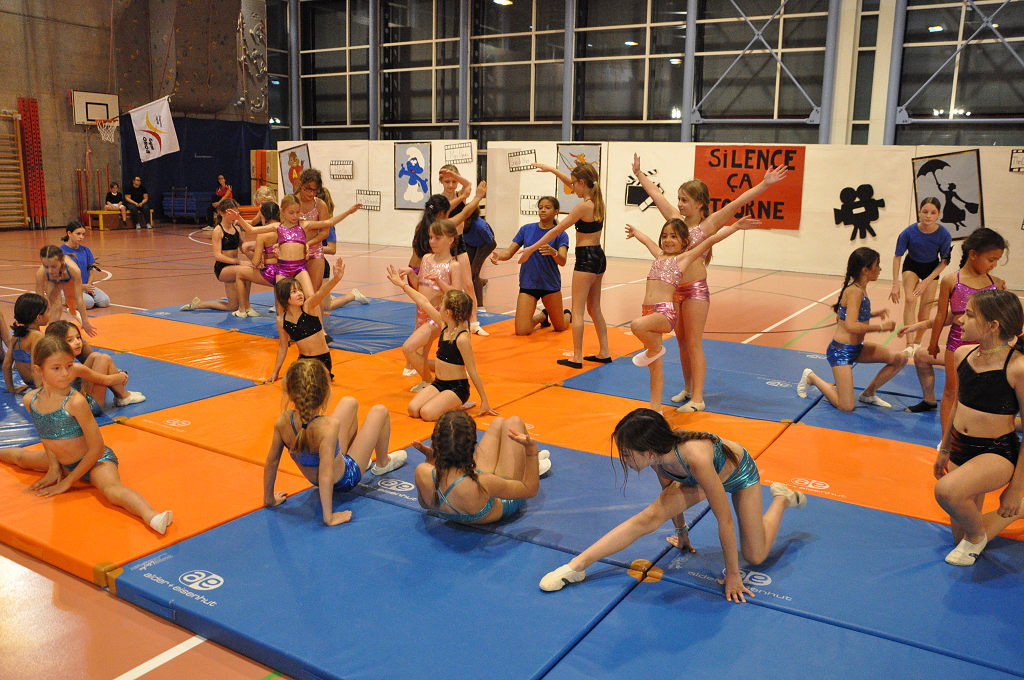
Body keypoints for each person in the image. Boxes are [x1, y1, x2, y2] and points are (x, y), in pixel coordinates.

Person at [538, 408, 805, 601]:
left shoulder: (695, 458)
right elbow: (669, 493)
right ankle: (575, 567)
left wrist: (734, 575)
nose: (624, 460)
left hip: (740, 474)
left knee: (755, 556)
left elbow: (724, 519)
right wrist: (682, 533)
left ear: (649, 452)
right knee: (649, 517)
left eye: (627, 454)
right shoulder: (658, 457)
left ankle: (781, 499)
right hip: (703, 475)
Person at [631, 155, 789, 413]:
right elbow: (656, 196)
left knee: (694, 342)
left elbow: (738, 202)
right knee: (681, 342)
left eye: (685, 200)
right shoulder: (675, 221)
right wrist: (639, 174)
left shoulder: (709, 224)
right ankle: (688, 387)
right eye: (679, 199)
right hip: (675, 292)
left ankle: (698, 398)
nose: (679, 204)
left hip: (695, 290)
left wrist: (765, 184)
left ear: (699, 203)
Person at [0, 336, 172, 533]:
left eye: (69, 366)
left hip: (95, 461)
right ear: (39, 370)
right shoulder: (31, 400)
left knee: (111, 490)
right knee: (21, 458)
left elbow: (97, 448)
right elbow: (46, 436)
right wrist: (54, 467)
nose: (65, 373)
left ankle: (152, 516)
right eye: (56, 368)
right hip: (62, 462)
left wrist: (68, 481)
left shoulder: (75, 402)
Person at [628, 217, 760, 411]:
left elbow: (710, 240)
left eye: (674, 236)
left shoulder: (683, 258)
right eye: (664, 236)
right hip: (648, 311)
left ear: (684, 241)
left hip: (664, 313)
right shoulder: (659, 255)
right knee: (654, 367)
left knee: (636, 325)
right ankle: (656, 408)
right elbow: (647, 240)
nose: (668, 240)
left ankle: (654, 350)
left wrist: (735, 227)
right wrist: (636, 232)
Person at [934, 289, 1024, 566]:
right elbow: (957, 405)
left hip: (996, 452)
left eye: (970, 315)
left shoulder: (1017, 367)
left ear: (992, 325)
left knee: (946, 492)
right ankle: (1018, 512)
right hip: (961, 446)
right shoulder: (962, 354)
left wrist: (1015, 489)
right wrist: (945, 448)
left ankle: (976, 537)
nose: (960, 319)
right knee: (958, 538)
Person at [263, 358, 407, 526]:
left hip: (322, 475)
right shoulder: (328, 427)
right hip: (345, 479)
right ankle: (383, 463)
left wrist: (269, 499)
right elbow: (325, 474)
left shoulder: (282, 421)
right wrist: (329, 517)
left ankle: (362, 459)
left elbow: (272, 462)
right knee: (380, 411)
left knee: (349, 402)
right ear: (325, 394)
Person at [901, 228, 1007, 425]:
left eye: (997, 260)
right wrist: (933, 343)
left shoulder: (997, 284)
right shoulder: (951, 281)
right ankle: (946, 438)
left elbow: (1003, 321)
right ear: (973, 254)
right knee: (952, 391)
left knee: (980, 394)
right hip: (956, 344)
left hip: (985, 347)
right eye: (991, 259)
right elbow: (941, 316)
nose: (994, 265)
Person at [518, 162, 610, 368]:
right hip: (599, 256)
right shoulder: (598, 200)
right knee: (594, 307)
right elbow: (570, 182)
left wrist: (531, 248)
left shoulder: (583, 207)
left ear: (583, 182)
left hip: (586, 258)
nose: (572, 187)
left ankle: (576, 357)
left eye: (575, 184)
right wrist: (551, 170)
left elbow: (555, 231)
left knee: (577, 311)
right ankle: (604, 352)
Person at [796, 247, 907, 412]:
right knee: (846, 406)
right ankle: (811, 377)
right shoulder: (855, 291)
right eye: (877, 265)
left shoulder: (860, 288)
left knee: (900, 358)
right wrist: (881, 327)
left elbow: (850, 314)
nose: (880, 269)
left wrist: (875, 314)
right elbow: (851, 325)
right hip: (841, 351)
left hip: (857, 349)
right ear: (865, 270)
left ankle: (869, 393)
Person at [387, 265, 495, 420]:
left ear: (448, 312)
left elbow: (472, 371)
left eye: (441, 305)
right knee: (413, 409)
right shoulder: (444, 325)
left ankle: (458, 403)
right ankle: (445, 402)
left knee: (427, 413)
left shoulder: (462, 338)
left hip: (457, 387)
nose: (438, 308)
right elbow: (423, 302)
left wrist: (484, 400)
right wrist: (402, 284)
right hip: (439, 383)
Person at [412, 410, 550, 524]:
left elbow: (425, 504)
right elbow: (530, 490)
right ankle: (531, 465)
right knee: (515, 421)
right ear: (472, 447)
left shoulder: (422, 471)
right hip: (501, 497)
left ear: (434, 443)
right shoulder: (483, 482)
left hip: (471, 487)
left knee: (498, 422)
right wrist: (531, 451)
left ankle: (525, 462)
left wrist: (431, 460)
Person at [490, 196, 571, 336]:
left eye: (547, 208)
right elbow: (509, 252)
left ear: (556, 211)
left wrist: (554, 253)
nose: (543, 210)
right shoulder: (526, 229)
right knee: (522, 330)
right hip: (528, 284)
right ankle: (542, 316)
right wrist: (499, 256)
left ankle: (568, 313)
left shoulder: (561, 234)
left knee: (560, 327)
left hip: (550, 285)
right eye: (540, 208)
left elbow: (562, 261)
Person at [401, 219, 462, 391]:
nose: (432, 242)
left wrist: (440, 281)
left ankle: (429, 381)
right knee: (421, 353)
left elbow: (457, 295)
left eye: (437, 238)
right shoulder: (426, 258)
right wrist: (411, 274)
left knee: (409, 348)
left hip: (437, 316)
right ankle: (439, 376)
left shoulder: (453, 265)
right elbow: (420, 286)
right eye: (430, 237)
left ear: (450, 240)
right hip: (421, 313)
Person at [266, 266, 347, 384]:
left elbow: (321, 293)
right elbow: (283, 347)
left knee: (309, 383)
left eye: (300, 290)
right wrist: (275, 372)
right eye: (294, 292)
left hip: (321, 360)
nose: (300, 294)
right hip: (303, 360)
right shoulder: (281, 320)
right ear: (284, 297)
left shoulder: (308, 307)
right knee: (292, 382)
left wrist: (335, 279)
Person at [889, 198, 951, 349]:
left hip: (931, 269)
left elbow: (944, 262)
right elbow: (897, 257)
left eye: (933, 213)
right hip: (912, 265)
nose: (928, 216)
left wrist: (926, 282)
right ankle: (909, 343)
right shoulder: (908, 232)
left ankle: (917, 341)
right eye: (925, 212)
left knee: (925, 310)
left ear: (939, 214)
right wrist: (895, 284)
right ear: (919, 212)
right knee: (910, 299)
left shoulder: (944, 235)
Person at [44, 321, 145, 411]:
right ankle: (124, 395)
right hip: (88, 408)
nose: (77, 342)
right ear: (58, 344)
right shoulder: (74, 367)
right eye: (70, 340)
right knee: (104, 358)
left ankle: (123, 396)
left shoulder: (54, 362)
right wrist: (121, 376)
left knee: (95, 356)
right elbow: (106, 381)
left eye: (78, 337)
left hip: (71, 403)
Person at [179, 199, 252, 313]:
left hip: (234, 267)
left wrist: (254, 258)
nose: (235, 216)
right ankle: (247, 307)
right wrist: (238, 262)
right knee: (246, 272)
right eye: (232, 213)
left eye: (236, 212)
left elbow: (243, 247)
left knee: (232, 306)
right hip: (223, 268)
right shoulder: (218, 231)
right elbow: (218, 256)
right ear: (222, 213)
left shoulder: (237, 228)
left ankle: (200, 304)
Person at [34, 246, 96, 336]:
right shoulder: (41, 273)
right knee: (56, 306)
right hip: (52, 281)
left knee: (71, 303)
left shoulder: (74, 270)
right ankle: (50, 335)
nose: (50, 271)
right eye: (46, 266)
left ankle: (73, 311)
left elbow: (79, 298)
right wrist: (35, 331)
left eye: (54, 266)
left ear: (62, 261)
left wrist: (85, 321)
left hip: (67, 277)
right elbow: (38, 302)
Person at [3, 293, 48, 392]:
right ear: (38, 318)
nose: (49, 314)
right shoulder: (38, 337)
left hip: (30, 383)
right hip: (40, 384)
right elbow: (35, 368)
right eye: (47, 311)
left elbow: (6, 365)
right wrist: (41, 393)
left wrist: (11, 390)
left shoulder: (16, 336)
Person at [61, 221, 110, 310]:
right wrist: (82, 287)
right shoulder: (60, 252)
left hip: (86, 286)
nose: (81, 237)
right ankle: (65, 298)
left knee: (105, 301)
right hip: (69, 288)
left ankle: (83, 296)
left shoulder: (86, 250)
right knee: (88, 303)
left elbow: (91, 272)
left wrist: (88, 285)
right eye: (78, 234)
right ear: (69, 233)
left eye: (83, 234)